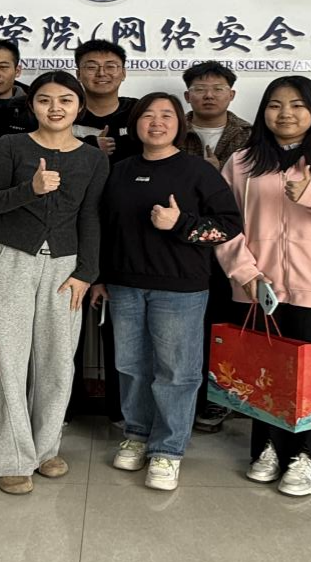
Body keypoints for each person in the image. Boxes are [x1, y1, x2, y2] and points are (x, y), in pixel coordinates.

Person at [216, 76, 311, 496]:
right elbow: (225, 225)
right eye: (275, 105)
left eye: (297, 105)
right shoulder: (242, 161)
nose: (285, 113)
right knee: (264, 371)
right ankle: (268, 447)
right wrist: (245, 272)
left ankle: (308, 457)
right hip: (257, 286)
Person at [94, 93, 242, 492]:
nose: (156, 122)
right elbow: (103, 227)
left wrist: (181, 224)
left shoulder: (198, 171)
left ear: (180, 124)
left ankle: (168, 449)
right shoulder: (119, 170)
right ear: (135, 124)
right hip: (124, 286)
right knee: (130, 366)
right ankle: (137, 434)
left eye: (166, 115)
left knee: (176, 372)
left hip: (179, 289)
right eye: (148, 115)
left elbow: (229, 226)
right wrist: (100, 276)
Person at [0, 71, 109, 495]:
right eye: (45, 99)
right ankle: (10, 456)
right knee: (5, 360)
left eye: (65, 100)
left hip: (65, 268)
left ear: (79, 107)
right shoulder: (10, 146)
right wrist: (30, 189)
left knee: (57, 360)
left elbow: (91, 216)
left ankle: (44, 448)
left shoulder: (93, 158)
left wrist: (87, 273)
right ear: (31, 105)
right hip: (9, 258)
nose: (55, 108)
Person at [180, 60, 253, 434]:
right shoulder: (172, 129)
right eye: (200, 88)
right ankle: (185, 400)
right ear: (187, 94)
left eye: (218, 88)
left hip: (233, 245)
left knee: (225, 325)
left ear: (232, 94)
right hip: (179, 245)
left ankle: (218, 399)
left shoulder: (252, 136)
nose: (209, 95)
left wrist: (218, 170)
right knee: (184, 327)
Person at [69, 39, 138, 424]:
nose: (101, 73)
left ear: (123, 72)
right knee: (69, 323)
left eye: (110, 65)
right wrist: (88, 148)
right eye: (91, 66)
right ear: (79, 72)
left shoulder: (139, 113)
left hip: (126, 234)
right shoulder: (64, 109)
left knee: (122, 327)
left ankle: (121, 411)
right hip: (72, 230)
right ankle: (66, 407)